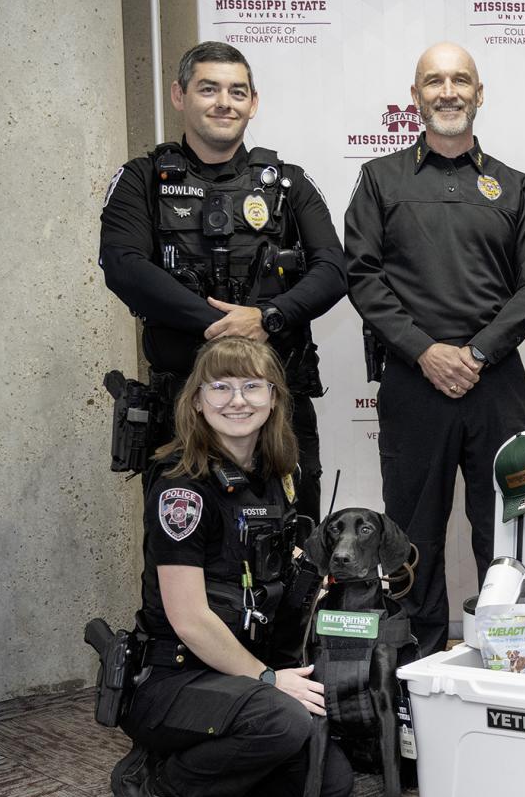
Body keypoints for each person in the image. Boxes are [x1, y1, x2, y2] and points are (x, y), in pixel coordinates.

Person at [345, 42, 525, 658]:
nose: (448, 92)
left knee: (507, 533)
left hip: (495, 389)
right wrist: (425, 351)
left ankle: (510, 657)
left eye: (460, 80)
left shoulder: (513, 186)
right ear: (415, 96)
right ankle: (418, 671)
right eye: (433, 81)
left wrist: (480, 353)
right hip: (414, 386)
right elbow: (362, 275)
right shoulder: (380, 179)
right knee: (412, 539)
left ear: (479, 93)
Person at [110, 336, 351, 797]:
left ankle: (174, 765)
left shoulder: (275, 478)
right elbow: (191, 619)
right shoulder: (183, 489)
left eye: (251, 386)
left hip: (230, 673)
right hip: (171, 677)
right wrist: (267, 680)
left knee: (330, 781)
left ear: (274, 399)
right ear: (196, 400)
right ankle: (170, 790)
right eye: (219, 386)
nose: (236, 400)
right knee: (282, 720)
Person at [100, 41, 347, 520]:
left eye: (237, 92)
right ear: (179, 95)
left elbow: (334, 268)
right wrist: (219, 324)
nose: (224, 102)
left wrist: (268, 317)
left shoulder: (289, 183)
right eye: (208, 89)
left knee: (294, 545)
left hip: (276, 404)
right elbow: (122, 262)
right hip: (182, 403)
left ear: (253, 103)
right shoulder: (142, 180)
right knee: (183, 548)